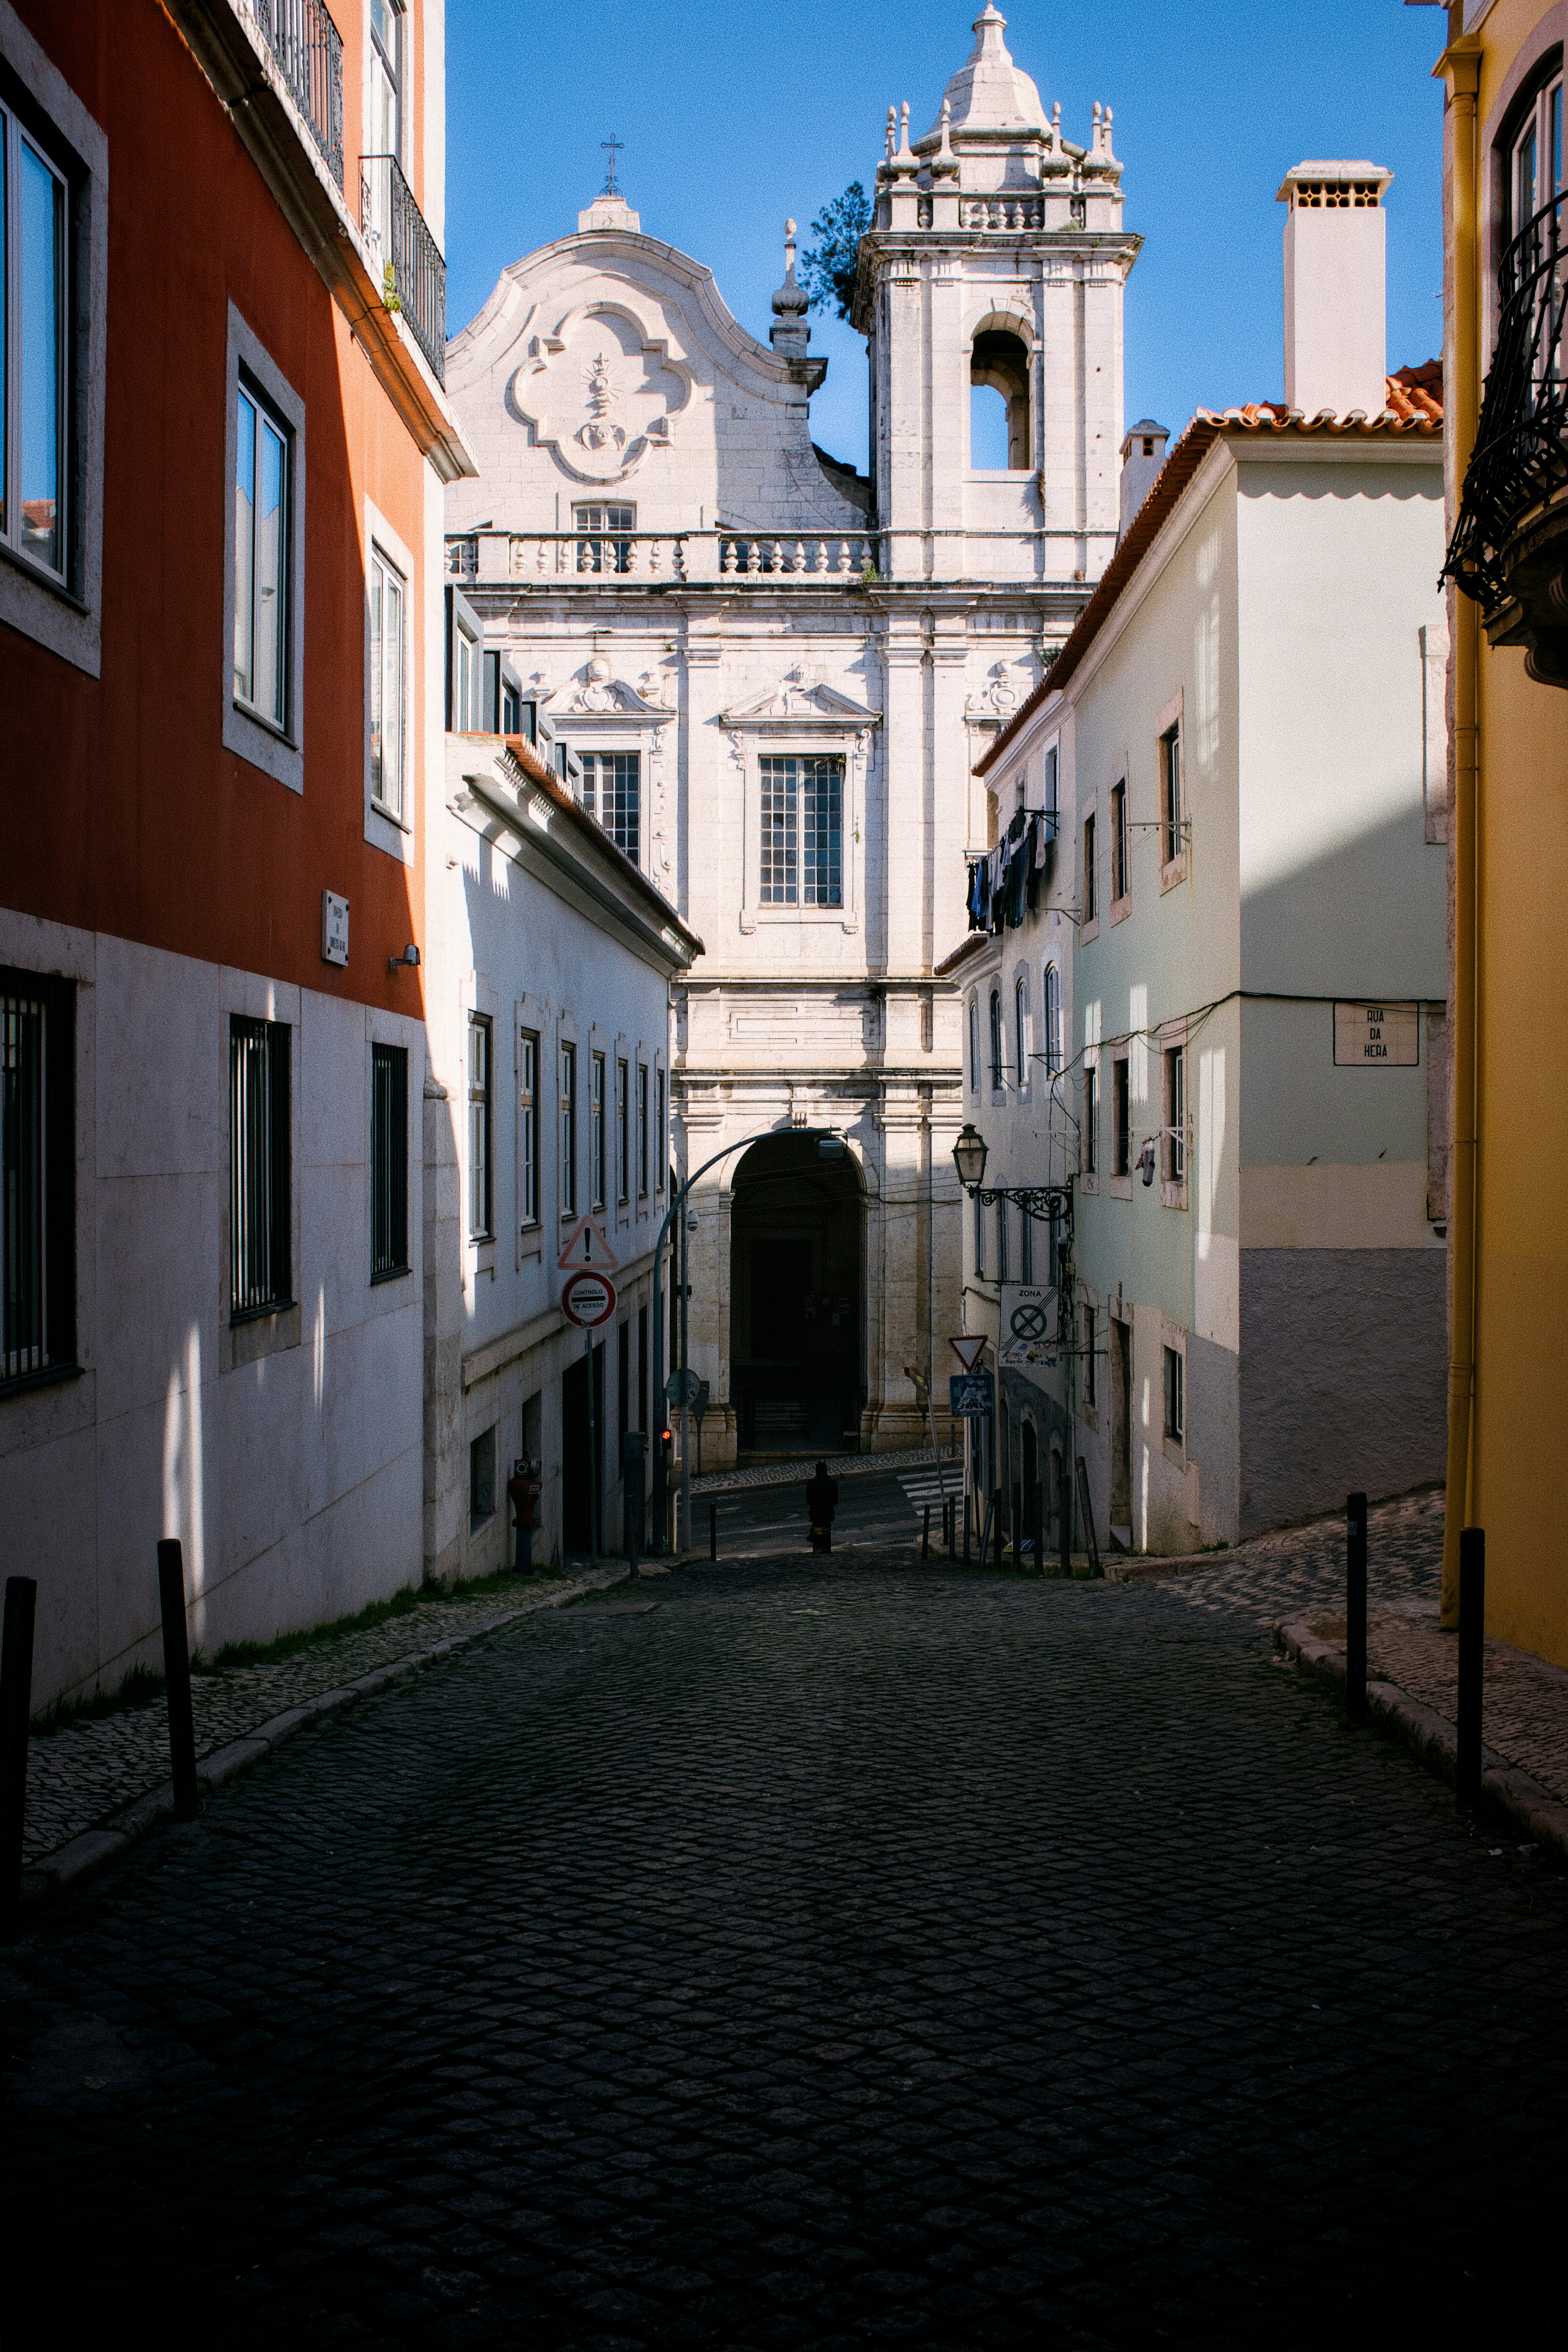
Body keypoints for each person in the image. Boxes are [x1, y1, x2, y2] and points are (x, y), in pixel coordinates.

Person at [805, 1460, 838, 1553]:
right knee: (826, 1534)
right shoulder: (833, 1483)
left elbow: (809, 1500)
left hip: (816, 1514)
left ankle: (815, 1541)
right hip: (828, 1513)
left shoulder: (811, 1484)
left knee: (817, 1530)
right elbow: (835, 1500)